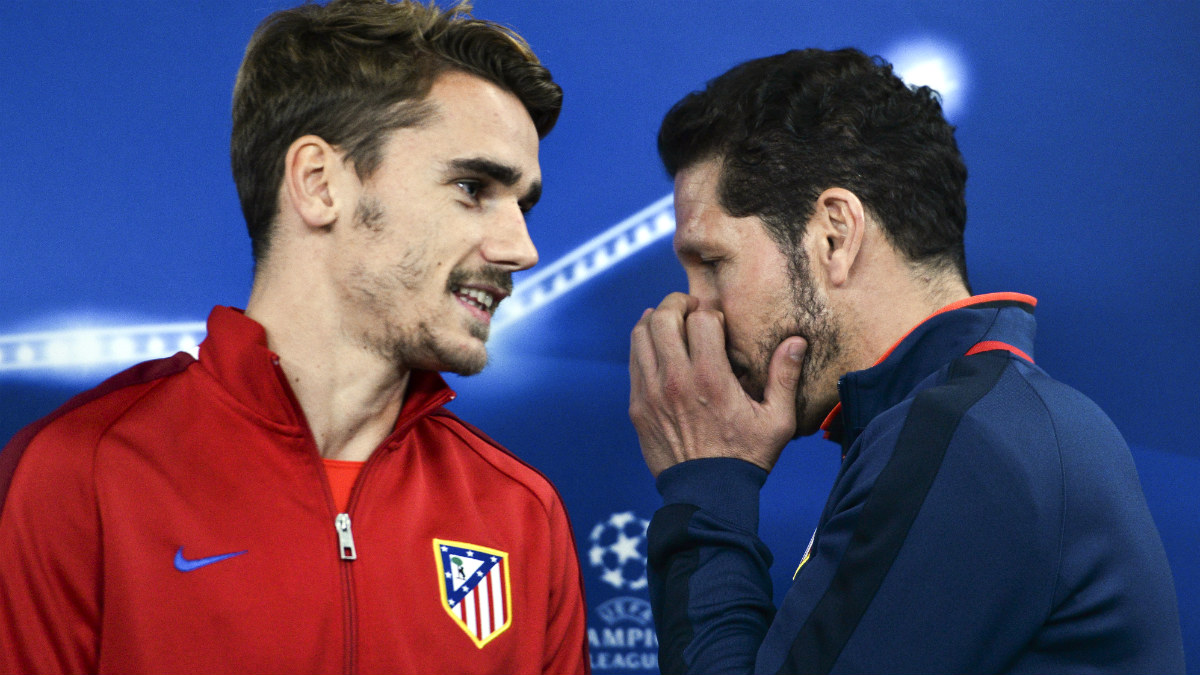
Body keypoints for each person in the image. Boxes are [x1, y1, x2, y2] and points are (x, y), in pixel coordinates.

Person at [0, 1, 589, 673]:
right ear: (318, 184)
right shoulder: (82, 472)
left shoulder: (522, 514)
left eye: (524, 203)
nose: (522, 247)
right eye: (472, 186)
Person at [628, 48, 1185, 674]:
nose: (697, 310)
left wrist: (707, 482)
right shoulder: (979, 420)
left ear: (834, 235)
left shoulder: (967, 442)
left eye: (712, 263)